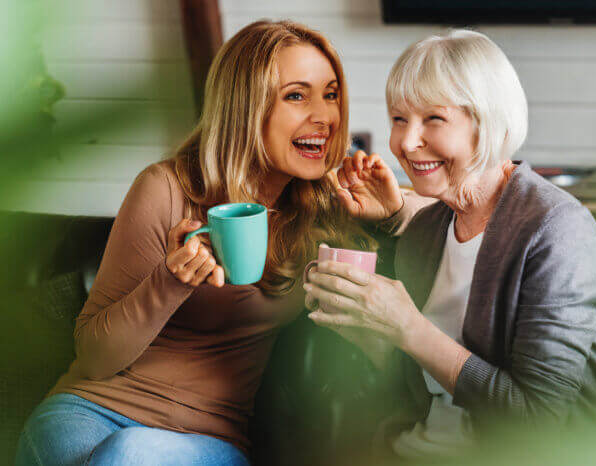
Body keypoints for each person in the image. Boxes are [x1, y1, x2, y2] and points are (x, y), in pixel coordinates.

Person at [16, 20, 374, 466]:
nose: (324, 116)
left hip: (207, 438)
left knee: (132, 454)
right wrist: (169, 282)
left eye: (331, 93)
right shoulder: (166, 188)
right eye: (296, 95)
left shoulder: (325, 211)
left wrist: (391, 217)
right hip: (91, 410)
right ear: (246, 106)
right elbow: (94, 358)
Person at [304, 29, 596, 461]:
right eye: (399, 119)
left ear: (487, 122)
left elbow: (537, 420)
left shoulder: (557, 231)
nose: (406, 141)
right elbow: (419, 386)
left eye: (433, 119)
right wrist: (368, 332)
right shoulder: (426, 231)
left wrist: (408, 328)